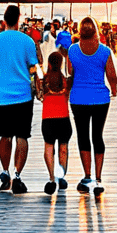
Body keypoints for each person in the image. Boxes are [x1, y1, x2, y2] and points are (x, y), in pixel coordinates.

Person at [0, 4, 39, 195]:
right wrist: (37, 87)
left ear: (4, 20)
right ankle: (18, 175)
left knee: (5, 136)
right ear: (19, 19)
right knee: (22, 136)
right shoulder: (27, 41)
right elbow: (33, 68)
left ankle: (5, 172)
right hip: (23, 95)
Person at [68, 17, 117, 196]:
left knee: (83, 136)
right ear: (96, 31)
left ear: (80, 31)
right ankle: (98, 179)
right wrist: (114, 89)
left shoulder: (72, 50)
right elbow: (112, 75)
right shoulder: (104, 51)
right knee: (97, 136)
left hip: (78, 98)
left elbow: (70, 72)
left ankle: (87, 176)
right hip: (100, 99)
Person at [39, 52, 72, 194]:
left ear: (49, 63)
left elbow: (39, 95)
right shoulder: (65, 81)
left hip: (48, 118)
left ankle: (52, 177)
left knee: (49, 147)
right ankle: (61, 175)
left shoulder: (44, 81)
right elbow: (68, 95)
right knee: (63, 149)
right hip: (63, 117)